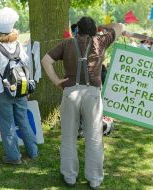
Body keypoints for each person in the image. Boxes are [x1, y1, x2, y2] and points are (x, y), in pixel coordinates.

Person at [42, 16, 124, 189]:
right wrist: (103, 26)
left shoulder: (67, 43)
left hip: (70, 93)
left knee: (68, 137)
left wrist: (57, 81)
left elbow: (46, 60)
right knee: (94, 137)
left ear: (77, 29)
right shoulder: (101, 41)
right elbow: (120, 26)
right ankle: (94, 179)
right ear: (94, 29)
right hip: (92, 94)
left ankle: (70, 176)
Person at [0, 7, 38, 165]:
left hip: (2, 92)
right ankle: (33, 152)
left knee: (6, 124)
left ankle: (14, 157)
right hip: (21, 90)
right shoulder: (20, 47)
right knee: (23, 121)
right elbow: (27, 68)